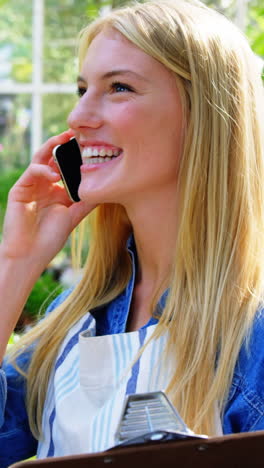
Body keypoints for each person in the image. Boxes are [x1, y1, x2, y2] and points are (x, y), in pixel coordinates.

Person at [1, 0, 264, 465]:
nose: (78, 116)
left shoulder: (252, 333)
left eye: (118, 88)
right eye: (82, 88)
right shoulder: (74, 317)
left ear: (203, 115)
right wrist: (17, 263)